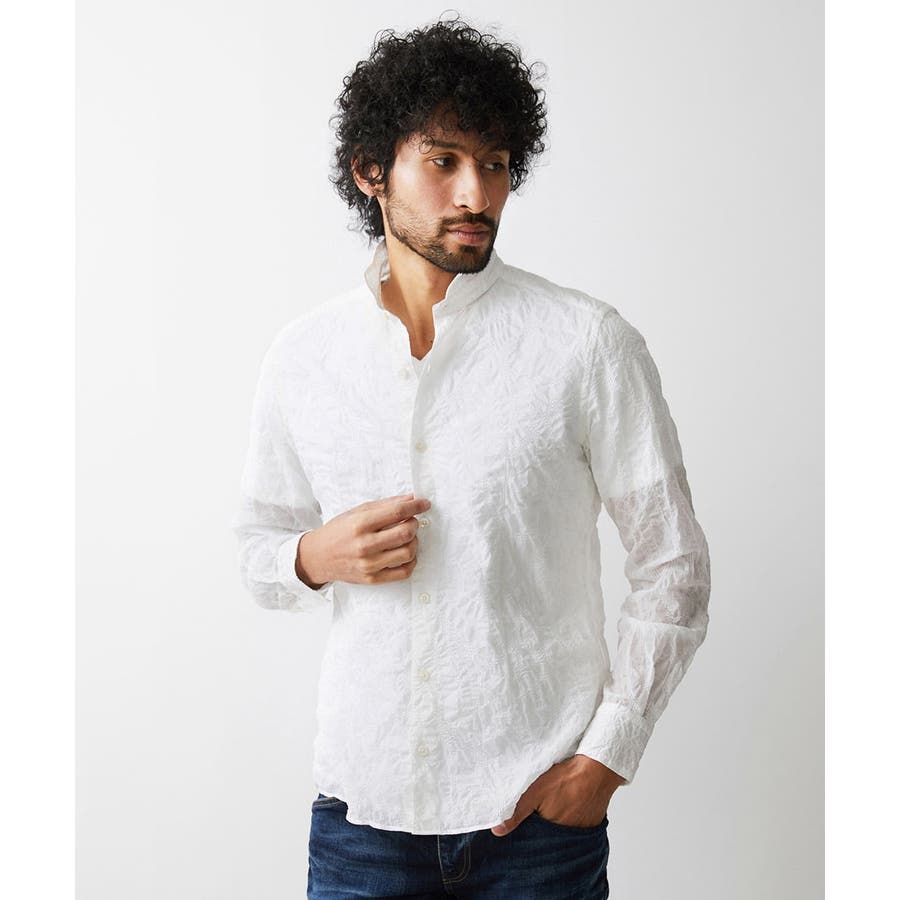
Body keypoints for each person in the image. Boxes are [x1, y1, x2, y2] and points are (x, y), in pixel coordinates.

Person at [231, 14, 711, 899]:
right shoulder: (306, 356)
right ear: (370, 171)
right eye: (443, 160)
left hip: (535, 821)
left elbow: (673, 564)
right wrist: (313, 555)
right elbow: (256, 552)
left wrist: (607, 756)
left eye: (495, 163)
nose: (476, 193)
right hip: (362, 815)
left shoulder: (585, 344)